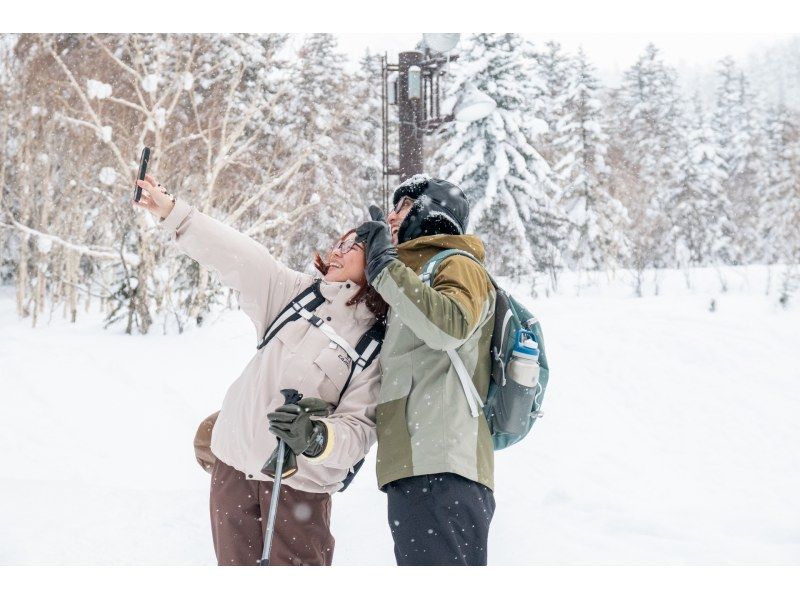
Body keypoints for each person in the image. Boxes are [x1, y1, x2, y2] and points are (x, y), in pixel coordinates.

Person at [133, 174, 387, 566]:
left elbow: (360, 427)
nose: (337, 251)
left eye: (352, 246)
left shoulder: (373, 340)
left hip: (298, 492)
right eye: (338, 242)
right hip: (233, 475)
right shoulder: (296, 293)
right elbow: (239, 256)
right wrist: (174, 213)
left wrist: (319, 437)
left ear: (376, 262)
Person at [355, 174, 497, 566]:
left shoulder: (457, 263)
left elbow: (449, 324)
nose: (392, 216)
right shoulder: (410, 283)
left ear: (432, 209)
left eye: (401, 206)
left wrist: (384, 266)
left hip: (444, 466)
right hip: (416, 468)